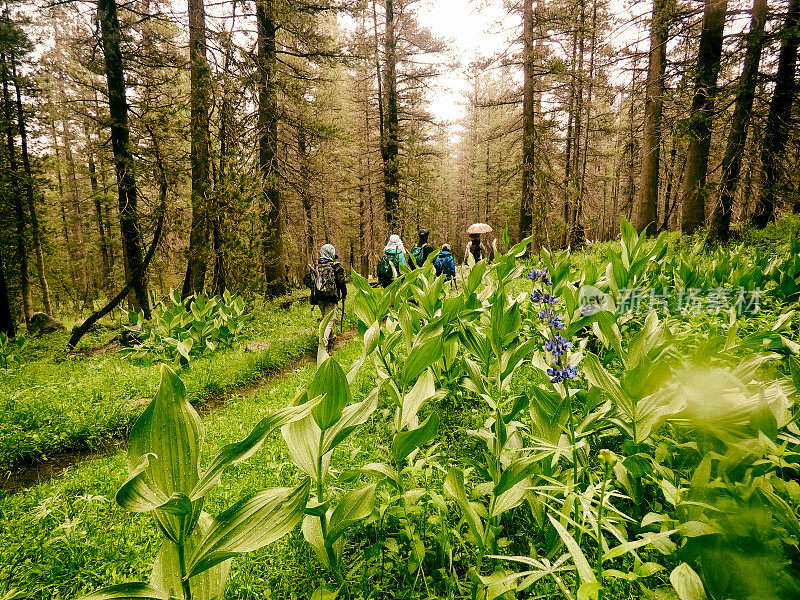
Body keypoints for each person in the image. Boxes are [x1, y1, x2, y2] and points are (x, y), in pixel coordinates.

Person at [311, 244, 347, 349]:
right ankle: (323, 345)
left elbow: (308, 280)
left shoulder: (316, 266)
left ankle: (332, 336)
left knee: (325, 318)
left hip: (318, 297)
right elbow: (341, 282)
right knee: (329, 320)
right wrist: (344, 294)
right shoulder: (336, 266)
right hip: (330, 297)